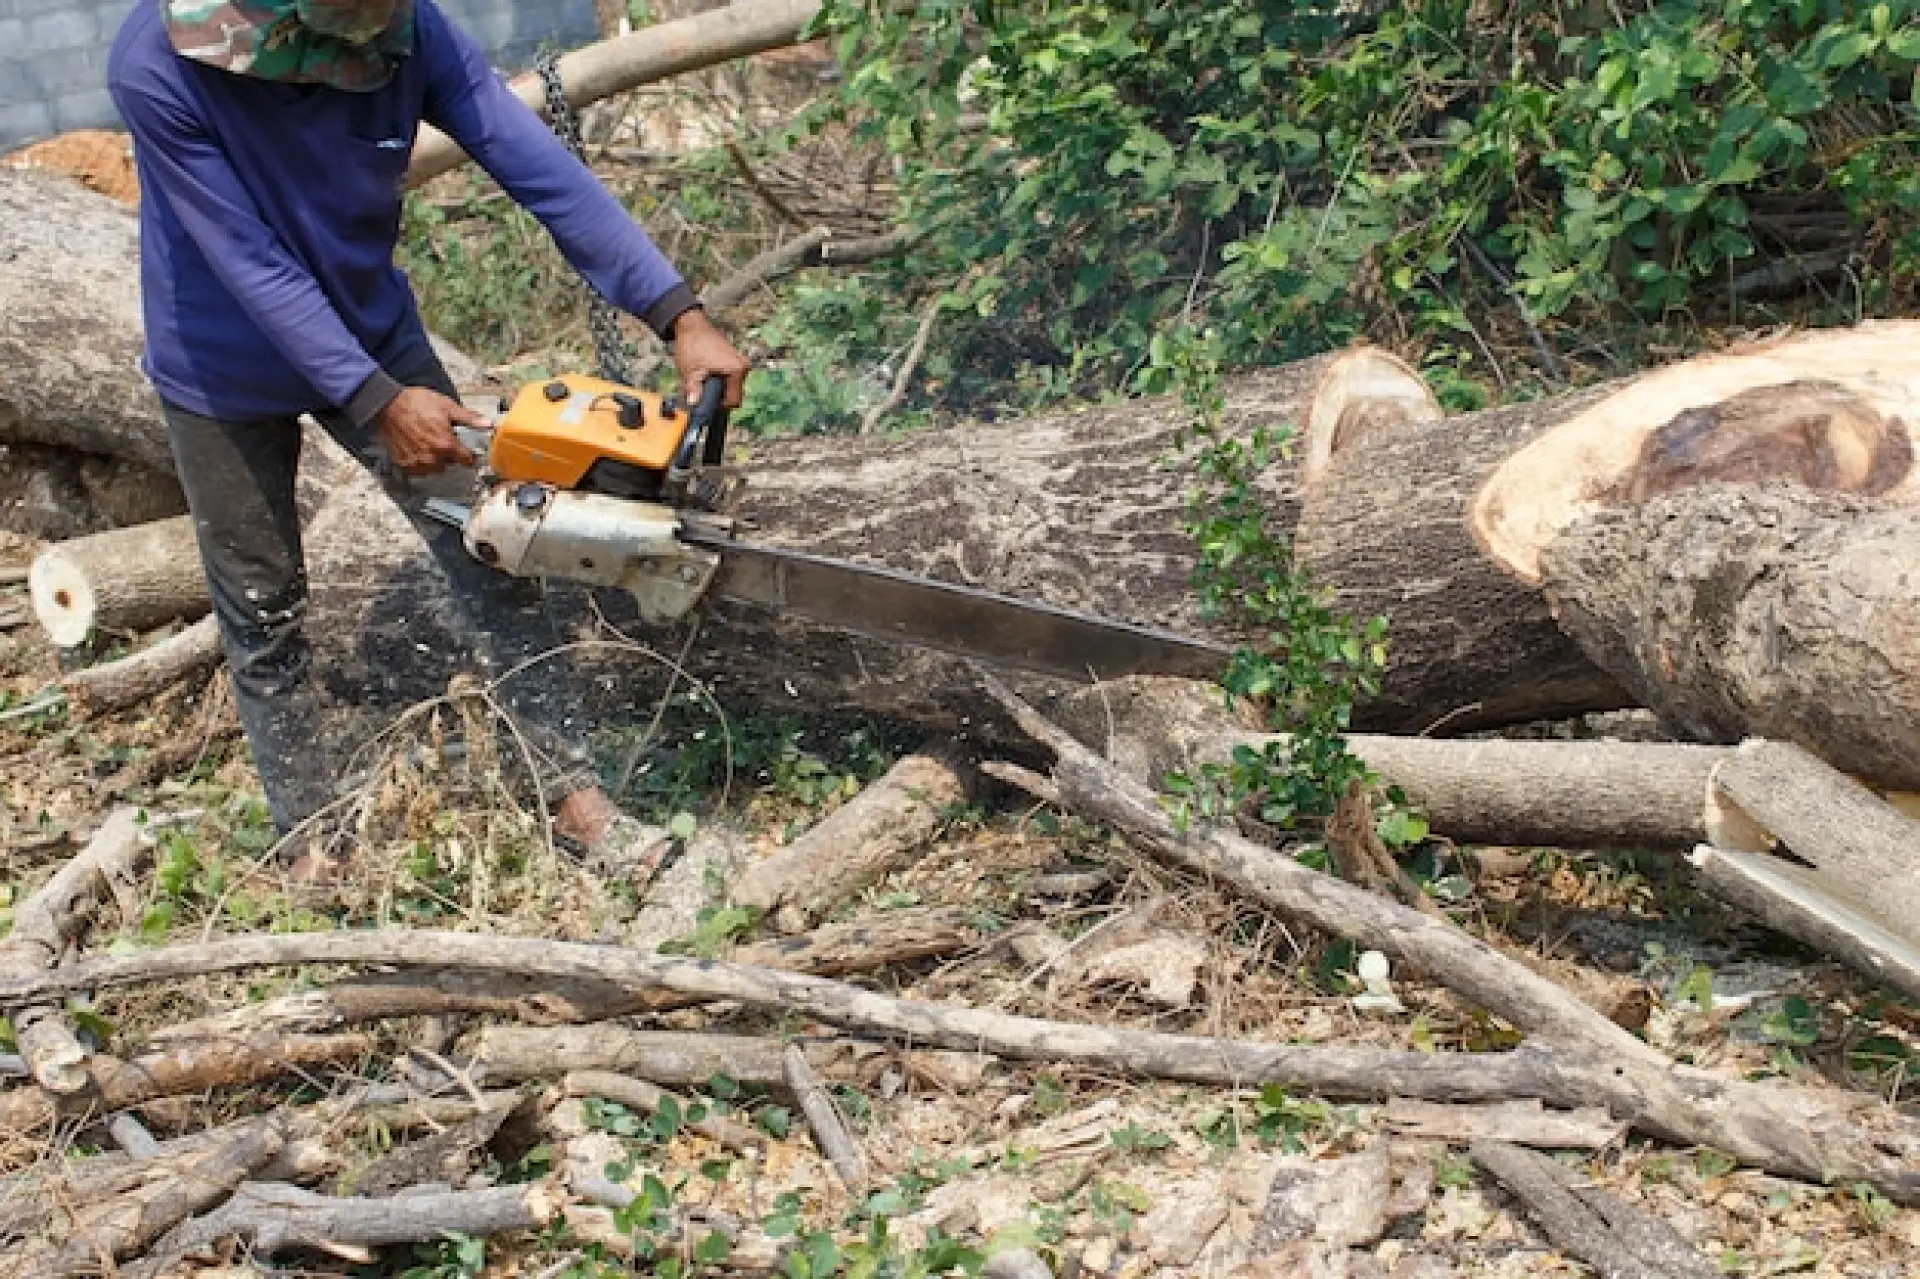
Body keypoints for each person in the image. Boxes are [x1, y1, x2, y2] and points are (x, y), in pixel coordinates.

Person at [105, 0, 750, 879]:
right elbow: (246, 258)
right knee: (263, 609)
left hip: (372, 328)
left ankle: (572, 796)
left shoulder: (409, 27)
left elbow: (532, 161)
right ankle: (310, 846)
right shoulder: (156, 59)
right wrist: (376, 401)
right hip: (219, 364)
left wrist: (678, 313)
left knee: (499, 539)